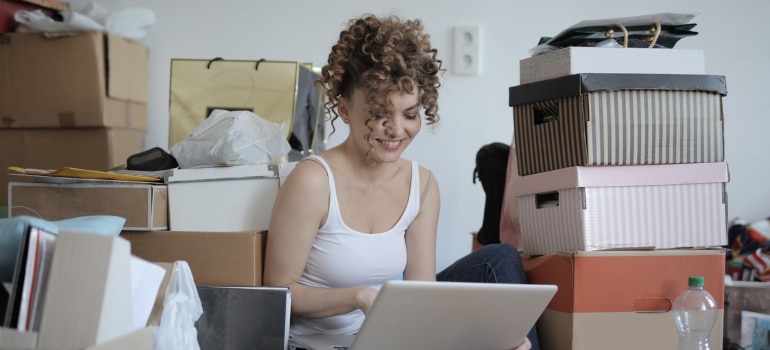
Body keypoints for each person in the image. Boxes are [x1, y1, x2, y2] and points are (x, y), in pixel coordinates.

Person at [263, 14, 537, 350]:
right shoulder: (313, 180)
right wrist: (358, 297)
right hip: (318, 344)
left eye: (409, 114)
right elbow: (279, 291)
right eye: (380, 114)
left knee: (501, 261)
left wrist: (487, 336)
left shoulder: (421, 185)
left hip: (388, 340)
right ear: (345, 110)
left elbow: (421, 297)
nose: (396, 130)